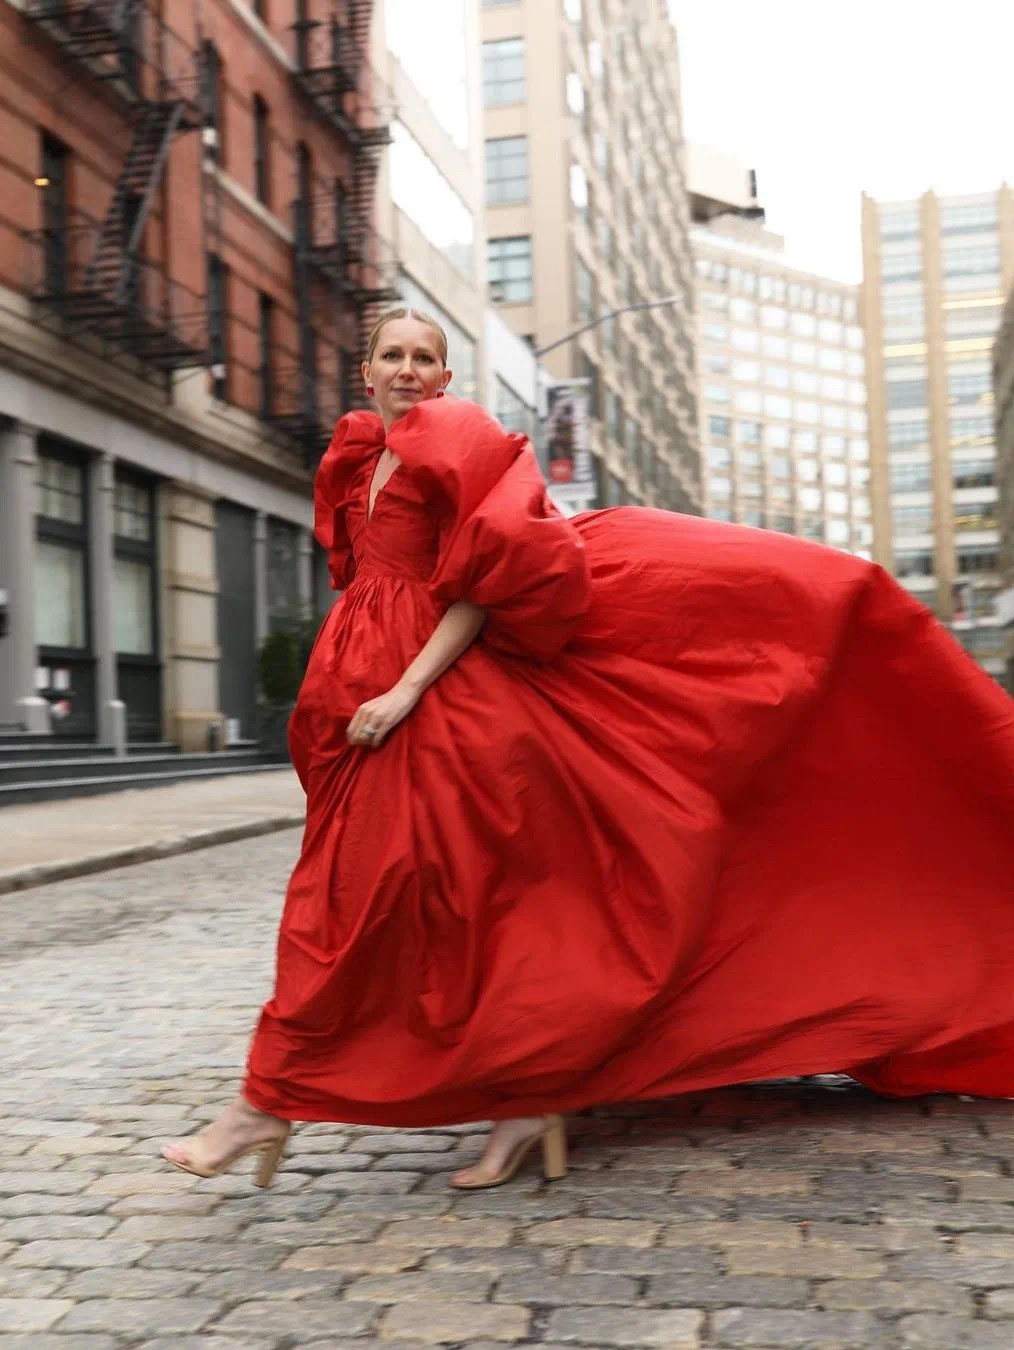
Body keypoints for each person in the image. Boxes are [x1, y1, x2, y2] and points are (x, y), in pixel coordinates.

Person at [163, 306, 1014, 1191]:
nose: (410, 369)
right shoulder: (356, 459)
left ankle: (264, 1108)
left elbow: (489, 584)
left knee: (348, 905)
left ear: (447, 378)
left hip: (433, 699)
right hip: (357, 691)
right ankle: (527, 1099)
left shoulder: (455, 438)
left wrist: (408, 688)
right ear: (365, 370)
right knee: (429, 907)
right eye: (393, 355)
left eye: (427, 357)